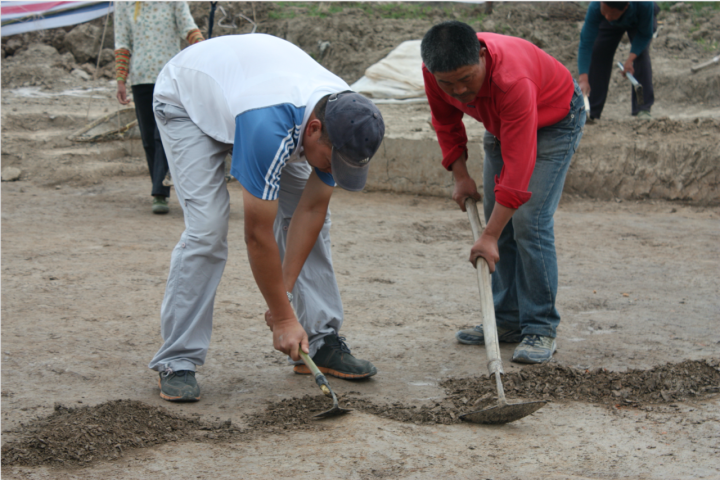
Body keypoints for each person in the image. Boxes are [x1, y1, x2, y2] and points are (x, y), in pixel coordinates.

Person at [148, 33, 385, 402]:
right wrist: (284, 318)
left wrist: (284, 300)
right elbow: (257, 234)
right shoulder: (269, 127)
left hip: (246, 96)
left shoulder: (346, 113)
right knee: (208, 229)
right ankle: (177, 359)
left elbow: (310, 209)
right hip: (188, 102)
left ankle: (320, 341)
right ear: (314, 130)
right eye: (330, 161)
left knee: (315, 225)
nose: (330, 169)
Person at [421, 21, 586, 364]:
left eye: (467, 79)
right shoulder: (436, 72)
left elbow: (519, 170)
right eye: (448, 83)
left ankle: (540, 326)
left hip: (554, 121)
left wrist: (488, 236)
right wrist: (460, 176)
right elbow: (446, 122)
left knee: (528, 220)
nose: (460, 90)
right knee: (503, 223)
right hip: (500, 124)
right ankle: (508, 319)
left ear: (482, 56)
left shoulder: (512, 79)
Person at [114, 1, 204, 214]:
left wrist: (203, 48)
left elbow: (187, 27)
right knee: (147, 137)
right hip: (141, 77)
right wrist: (120, 79)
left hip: (170, 76)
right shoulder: (123, 3)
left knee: (162, 134)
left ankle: (160, 192)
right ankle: (161, 183)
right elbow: (123, 41)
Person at [577, 2, 660, 121]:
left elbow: (645, 35)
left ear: (626, 7)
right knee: (599, 51)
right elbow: (586, 43)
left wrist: (630, 59)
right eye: (604, 12)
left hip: (639, 18)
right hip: (612, 12)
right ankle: (591, 109)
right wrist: (583, 79)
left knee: (641, 56)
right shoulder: (597, 6)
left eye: (611, 14)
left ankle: (643, 108)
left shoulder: (644, 4)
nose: (607, 17)